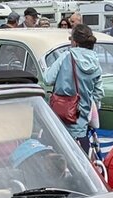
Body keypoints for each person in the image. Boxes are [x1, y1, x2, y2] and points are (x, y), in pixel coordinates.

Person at [43, 24, 103, 153]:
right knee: (83, 162)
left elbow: (48, 79)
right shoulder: (96, 62)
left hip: (62, 117)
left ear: (75, 42)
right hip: (81, 123)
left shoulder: (66, 56)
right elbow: (99, 93)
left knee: (61, 158)